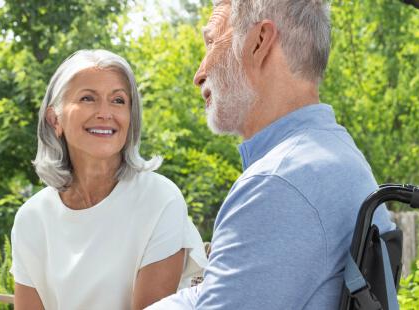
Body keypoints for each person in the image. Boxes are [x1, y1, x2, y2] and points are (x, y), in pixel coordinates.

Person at [149, 0, 396, 308]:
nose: (199, 74)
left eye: (212, 42)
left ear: (259, 41)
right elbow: (217, 292)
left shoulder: (279, 184)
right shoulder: (332, 156)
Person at [10, 49, 208, 310]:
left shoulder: (159, 199)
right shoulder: (31, 218)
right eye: (88, 98)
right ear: (54, 119)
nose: (105, 113)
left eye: (118, 101)